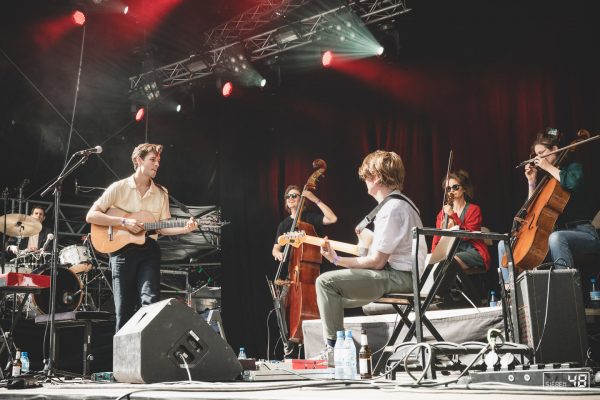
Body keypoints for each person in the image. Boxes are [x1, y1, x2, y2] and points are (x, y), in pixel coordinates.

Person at [317, 150, 428, 350]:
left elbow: (377, 262)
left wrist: (335, 259)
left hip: (400, 277)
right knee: (332, 295)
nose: (364, 181)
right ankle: (338, 348)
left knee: (325, 283)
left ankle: (334, 351)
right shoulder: (402, 204)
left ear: (377, 177)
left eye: (367, 176)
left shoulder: (392, 208)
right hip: (403, 274)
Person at [86, 143, 198, 331]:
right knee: (124, 310)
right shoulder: (118, 188)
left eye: (158, 161)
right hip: (121, 253)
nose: (157, 164)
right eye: (152, 160)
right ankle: (123, 359)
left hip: (149, 251)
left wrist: (185, 229)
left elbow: (163, 227)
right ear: (138, 160)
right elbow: (91, 216)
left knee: (151, 302)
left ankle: (148, 354)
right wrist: (124, 222)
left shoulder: (162, 193)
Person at [500, 129, 600, 280]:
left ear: (554, 150)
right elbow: (531, 210)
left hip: (583, 233)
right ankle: (510, 294)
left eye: (541, 153)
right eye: (536, 154)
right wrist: (532, 182)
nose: (538, 158)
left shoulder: (573, 168)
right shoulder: (546, 180)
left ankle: (566, 289)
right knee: (504, 245)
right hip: (553, 236)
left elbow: (573, 183)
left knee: (556, 238)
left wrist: (548, 167)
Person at [431, 170, 490, 271]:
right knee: (438, 265)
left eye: (455, 187)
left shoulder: (474, 209)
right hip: (452, 252)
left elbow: (468, 235)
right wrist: (433, 255)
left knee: (448, 264)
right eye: (448, 188)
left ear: (464, 189)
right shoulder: (442, 213)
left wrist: (452, 215)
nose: (452, 191)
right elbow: (437, 237)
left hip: (472, 251)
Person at [272, 185, 337, 262]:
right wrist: (277, 253)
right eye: (288, 196)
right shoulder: (283, 224)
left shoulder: (310, 217)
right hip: (291, 267)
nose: (290, 198)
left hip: (311, 264)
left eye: (294, 196)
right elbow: (275, 248)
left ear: (302, 200)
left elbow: (333, 219)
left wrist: (316, 200)